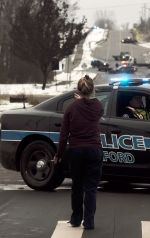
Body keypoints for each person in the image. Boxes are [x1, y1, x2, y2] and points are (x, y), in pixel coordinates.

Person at [53, 75, 103, 230]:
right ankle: (89, 222)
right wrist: (83, 100)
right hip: (94, 150)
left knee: (77, 187)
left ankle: (76, 219)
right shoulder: (98, 107)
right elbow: (92, 107)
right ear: (93, 89)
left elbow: (63, 135)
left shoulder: (71, 108)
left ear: (78, 90)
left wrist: (58, 155)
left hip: (76, 151)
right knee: (91, 188)